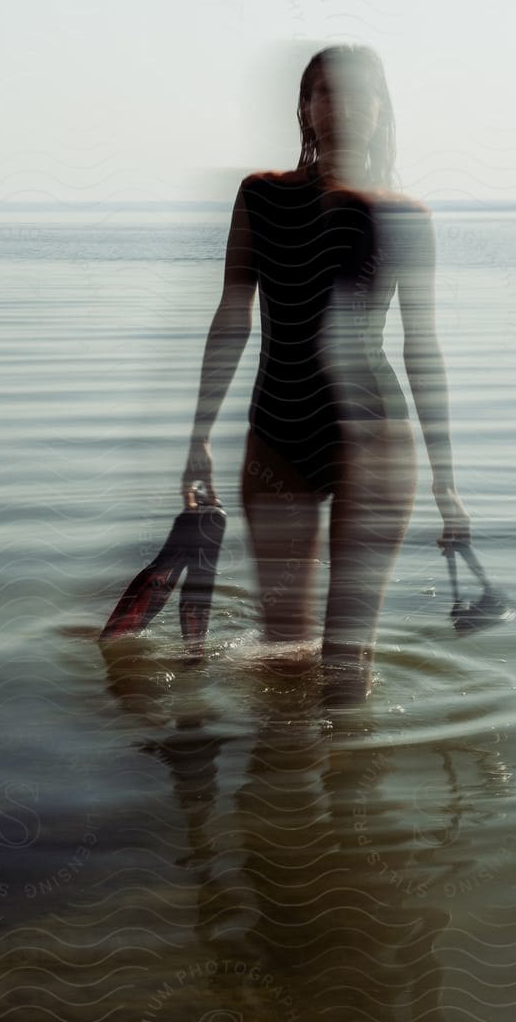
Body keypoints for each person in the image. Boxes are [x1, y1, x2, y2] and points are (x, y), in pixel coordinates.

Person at [182, 44, 471, 700]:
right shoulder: (260, 195)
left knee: (347, 662)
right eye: (324, 92)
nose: (341, 105)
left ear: (381, 110)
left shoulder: (404, 218)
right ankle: (287, 786)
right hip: (276, 439)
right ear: (305, 109)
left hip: (377, 443)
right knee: (282, 653)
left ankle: (350, 794)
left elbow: (421, 346)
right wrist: (198, 435)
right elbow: (234, 314)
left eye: (358, 92)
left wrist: (447, 481)